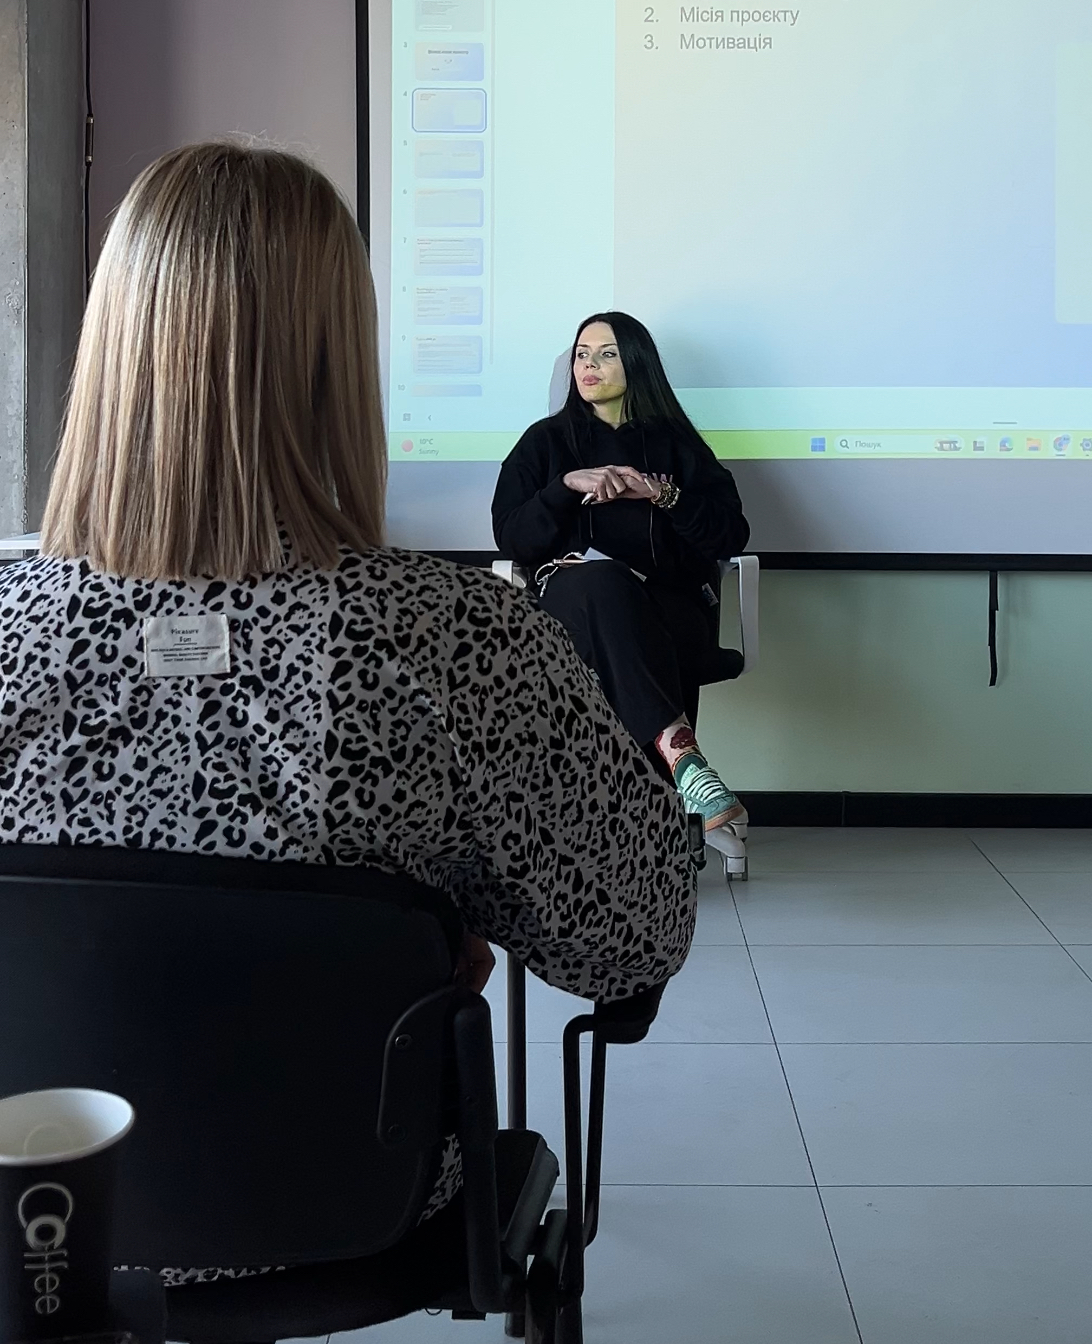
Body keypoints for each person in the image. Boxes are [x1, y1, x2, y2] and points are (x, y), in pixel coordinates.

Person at [0, 144, 695, 1262]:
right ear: (340, 364)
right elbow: (639, 930)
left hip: (38, 1202)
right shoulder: (459, 640)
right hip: (357, 1194)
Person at [492, 311, 750, 843]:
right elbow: (512, 537)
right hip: (571, 608)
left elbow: (730, 534)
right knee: (601, 580)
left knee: (624, 611)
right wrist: (564, 486)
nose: (589, 365)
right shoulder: (544, 442)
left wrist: (662, 494)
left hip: (668, 606)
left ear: (636, 363)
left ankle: (627, 829)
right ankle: (684, 761)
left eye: (606, 354)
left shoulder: (678, 444)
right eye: (582, 354)